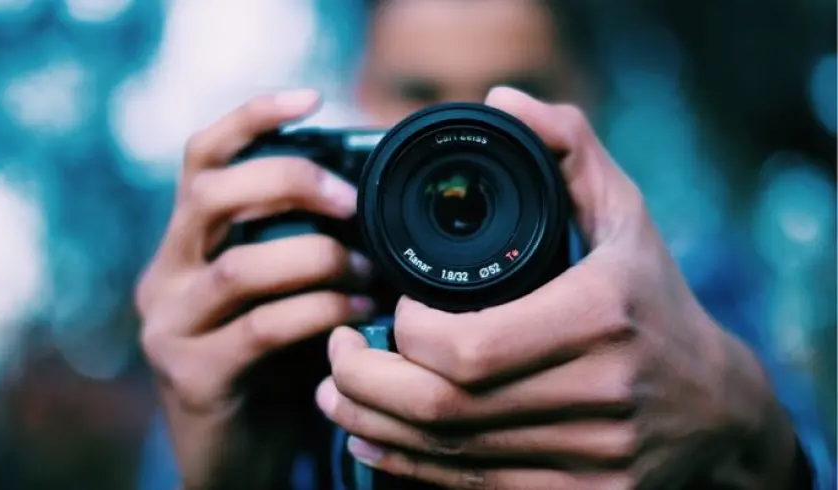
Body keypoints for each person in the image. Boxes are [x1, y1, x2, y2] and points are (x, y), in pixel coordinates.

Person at [135, 1, 834, 489]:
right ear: (358, 93)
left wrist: (753, 442)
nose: (463, 139)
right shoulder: (278, 305)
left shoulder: (687, 296)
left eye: (517, 93)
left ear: (587, 94)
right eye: (420, 94)